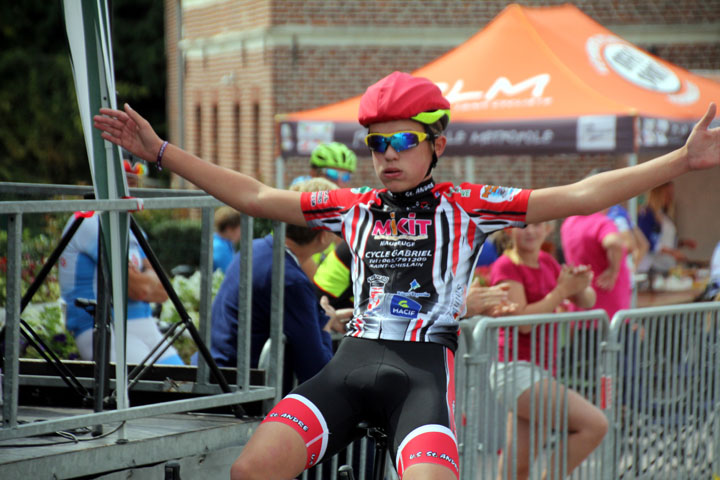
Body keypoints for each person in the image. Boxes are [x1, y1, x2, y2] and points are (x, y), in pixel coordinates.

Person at [94, 70, 719, 480]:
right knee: (249, 471)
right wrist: (160, 152)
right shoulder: (350, 207)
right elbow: (257, 195)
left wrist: (682, 161)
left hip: (420, 379)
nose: (386, 155)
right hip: (349, 366)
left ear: (435, 144)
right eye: (375, 143)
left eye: (401, 141)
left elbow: (582, 193)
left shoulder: (468, 204)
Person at [209, 177, 351, 395]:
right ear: (324, 235)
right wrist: (324, 323)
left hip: (220, 377)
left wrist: (320, 316)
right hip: (246, 393)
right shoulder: (291, 280)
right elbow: (316, 370)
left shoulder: (253, 248)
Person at [489, 222, 605, 480]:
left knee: (517, 467)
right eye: (523, 226)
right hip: (515, 371)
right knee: (595, 425)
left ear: (548, 229)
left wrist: (581, 283)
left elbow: (587, 301)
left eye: (537, 225)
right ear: (510, 230)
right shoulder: (506, 266)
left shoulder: (547, 262)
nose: (530, 231)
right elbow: (523, 323)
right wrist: (562, 290)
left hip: (538, 372)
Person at [58, 158, 184, 365]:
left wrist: (144, 278)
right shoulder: (90, 221)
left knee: (180, 383)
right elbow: (139, 290)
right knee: (151, 390)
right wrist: (145, 278)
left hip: (143, 323)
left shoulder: (131, 226)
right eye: (125, 176)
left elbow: (164, 291)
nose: (131, 184)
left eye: (136, 177)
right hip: (102, 325)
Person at [561, 207, 632, 320]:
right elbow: (614, 242)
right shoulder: (602, 222)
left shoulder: (568, 223)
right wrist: (613, 271)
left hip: (580, 308)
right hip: (609, 311)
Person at [637, 182, 697, 274]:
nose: (671, 198)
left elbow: (665, 241)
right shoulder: (647, 214)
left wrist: (682, 243)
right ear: (658, 194)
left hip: (666, 266)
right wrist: (672, 253)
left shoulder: (663, 216)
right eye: (668, 194)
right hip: (652, 267)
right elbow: (647, 241)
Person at [290, 141, 357, 188]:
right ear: (313, 173)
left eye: (345, 176)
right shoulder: (299, 189)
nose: (339, 182)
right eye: (333, 174)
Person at [213, 206, 242, 273]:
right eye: (240, 228)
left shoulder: (225, 244)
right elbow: (231, 274)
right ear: (229, 229)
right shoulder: (220, 248)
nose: (241, 233)